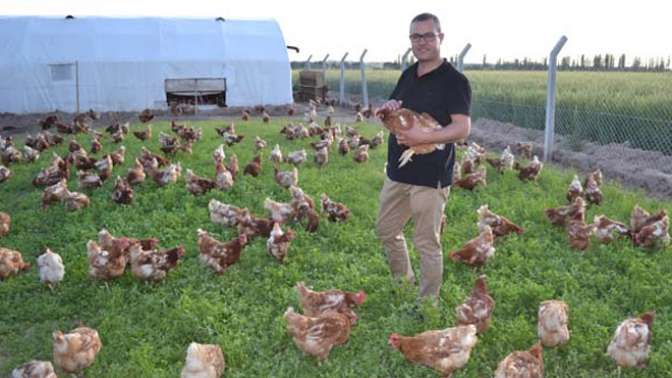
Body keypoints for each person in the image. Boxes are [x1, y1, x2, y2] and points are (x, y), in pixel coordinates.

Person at [375, 12, 472, 300]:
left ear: (440, 38)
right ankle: (403, 281)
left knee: (426, 242)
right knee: (386, 229)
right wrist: (388, 109)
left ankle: (427, 301)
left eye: (428, 35)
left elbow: (462, 128)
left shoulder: (454, 81)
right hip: (399, 171)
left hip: (431, 176)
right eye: (416, 36)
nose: (422, 42)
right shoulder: (408, 75)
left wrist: (423, 137)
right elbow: (398, 114)